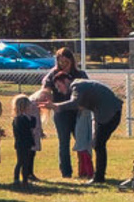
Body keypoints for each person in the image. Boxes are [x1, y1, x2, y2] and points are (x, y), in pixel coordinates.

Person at [45, 46, 81, 177]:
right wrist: (48, 99)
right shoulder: (53, 74)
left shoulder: (79, 74)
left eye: (66, 62)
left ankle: (85, 169)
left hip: (78, 113)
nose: (64, 65)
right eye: (61, 62)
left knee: (81, 141)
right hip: (61, 113)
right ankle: (66, 172)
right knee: (64, 143)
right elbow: (46, 88)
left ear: (72, 61)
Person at [10, 93, 40, 189]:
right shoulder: (19, 119)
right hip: (21, 144)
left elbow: (32, 125)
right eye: (29, 105)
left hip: (26, 143)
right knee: (21, 161)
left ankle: (25, 179)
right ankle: (17, 179)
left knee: (26, 161)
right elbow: (27, 127)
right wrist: (31, 120)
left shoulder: (25, 117)